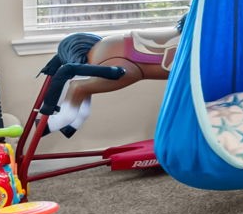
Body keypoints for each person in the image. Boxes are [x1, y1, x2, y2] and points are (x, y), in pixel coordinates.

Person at [49, 26, 180, 135]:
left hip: (113, 42)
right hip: (124, 56)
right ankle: (60, 120)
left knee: (85, 84)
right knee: (82, 86)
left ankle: (71, 121)